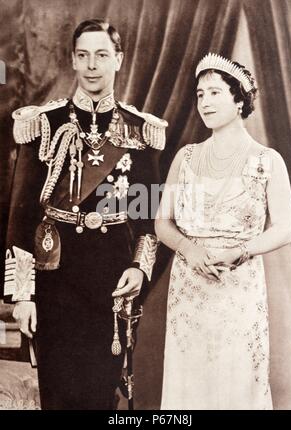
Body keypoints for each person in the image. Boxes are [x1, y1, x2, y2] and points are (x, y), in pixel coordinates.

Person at [4, 19, 167, 410]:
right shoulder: (44, 123)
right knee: (58, 394)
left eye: (102, 55)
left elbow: (148, 217)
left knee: (101, 394)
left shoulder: (139, 130)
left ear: (119, 60)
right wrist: (23, 296)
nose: (92, 65)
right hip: (54, 277)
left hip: (111, 278)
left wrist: (139, 268)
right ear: (73, 62)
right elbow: (20, 214)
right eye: (83, 56)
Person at [155, 53, 291, 410]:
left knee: (236, 380)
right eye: (200, 94)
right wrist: (190, 249)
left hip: (239, 287)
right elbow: (162, 222)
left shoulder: (267, 161)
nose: (205, 102)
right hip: (189, 286)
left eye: (215, 93)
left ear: (239, 99)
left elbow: (286, 228)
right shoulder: (185, 157)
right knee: (190, 382)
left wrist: (240, 251)